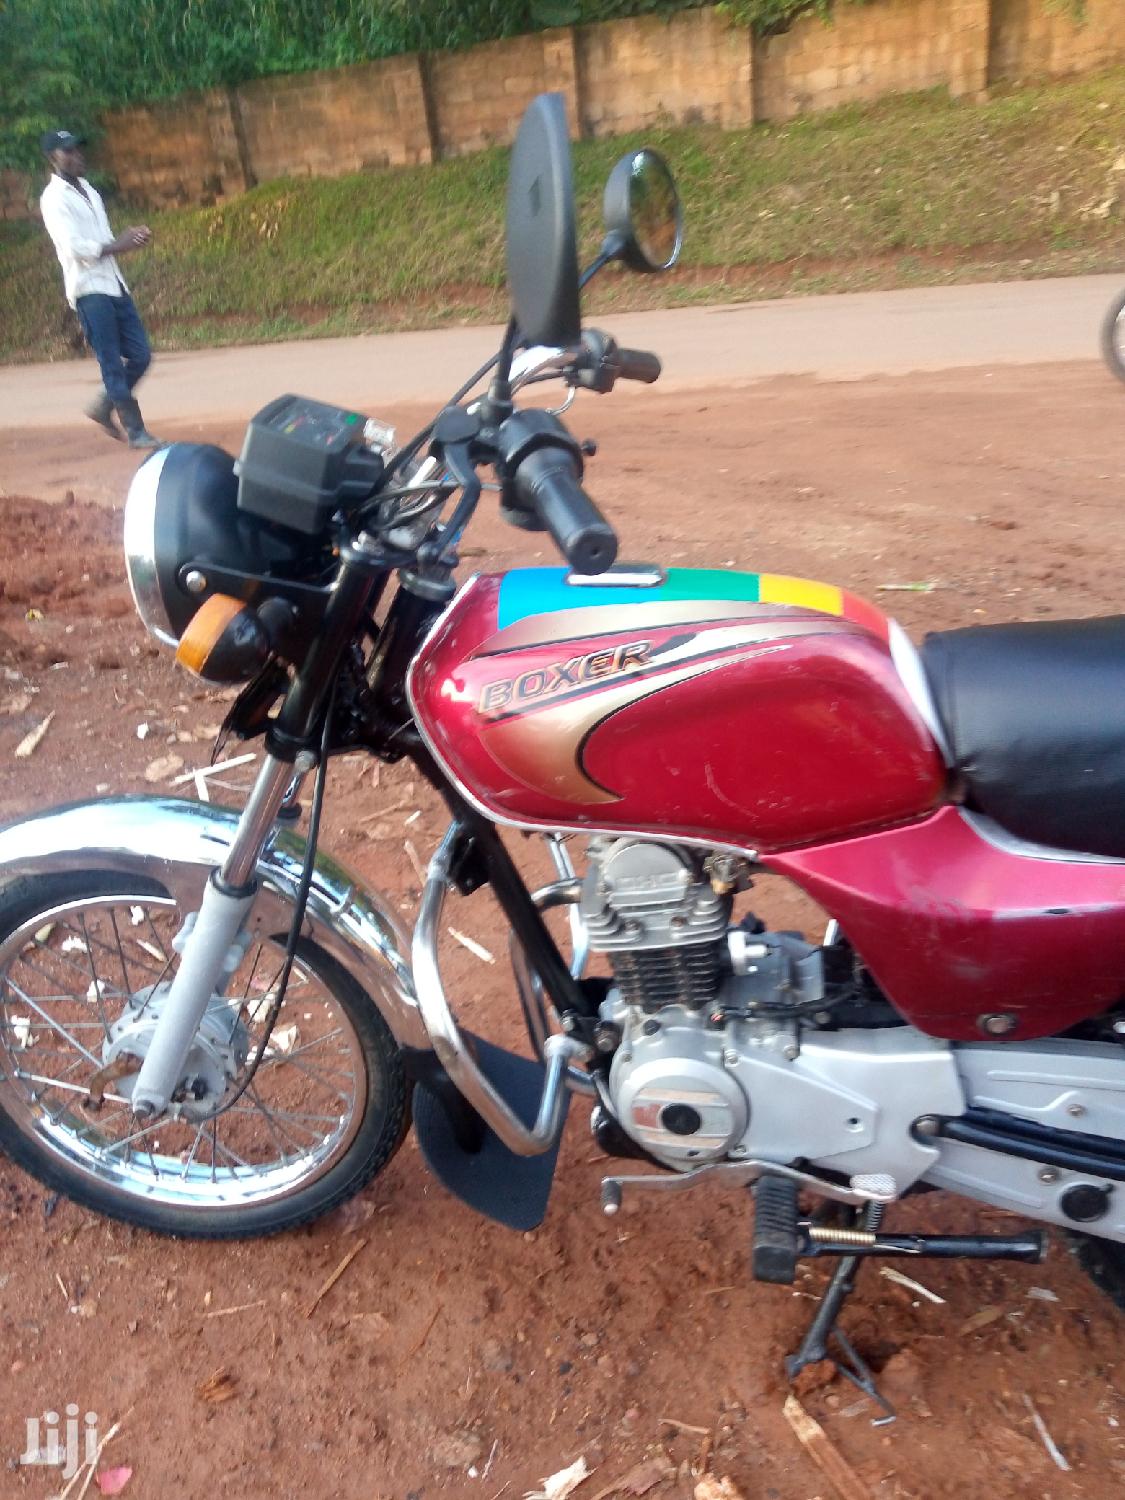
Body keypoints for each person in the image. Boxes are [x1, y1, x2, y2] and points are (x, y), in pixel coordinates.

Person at [39, 129, 160, 449]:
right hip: (88, 289)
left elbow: (104, 240)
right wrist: (119, 244)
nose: (77, 156)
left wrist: (126, 239)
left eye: (78, 149)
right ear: (53, 157)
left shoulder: (90, 190)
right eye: (69, 152)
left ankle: (105, 405)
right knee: (111, 363)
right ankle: (136, 431)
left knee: (141, 355)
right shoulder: (53, 199)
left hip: (113, 284)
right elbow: (73, 247)